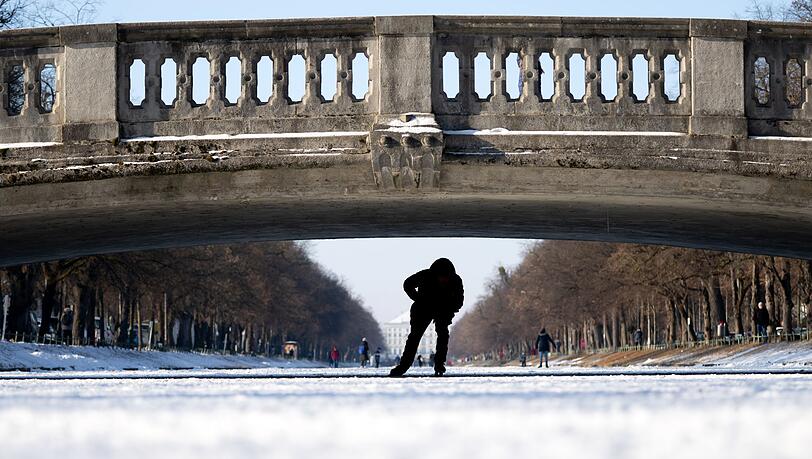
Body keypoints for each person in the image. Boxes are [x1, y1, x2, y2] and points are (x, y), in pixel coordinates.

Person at [389, 258, 464, 377]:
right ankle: (403, 366)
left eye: (446, 278)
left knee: (443, 335)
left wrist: (449, 311)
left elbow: (459, 300)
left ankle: (439, 364)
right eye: (441, 278)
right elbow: (407, 284)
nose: (444, 280)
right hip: (422, 309)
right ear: (436, 275)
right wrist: (419, 299)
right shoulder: (426, 275)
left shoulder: (455, 280)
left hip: (442, 309)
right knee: (414, 337)